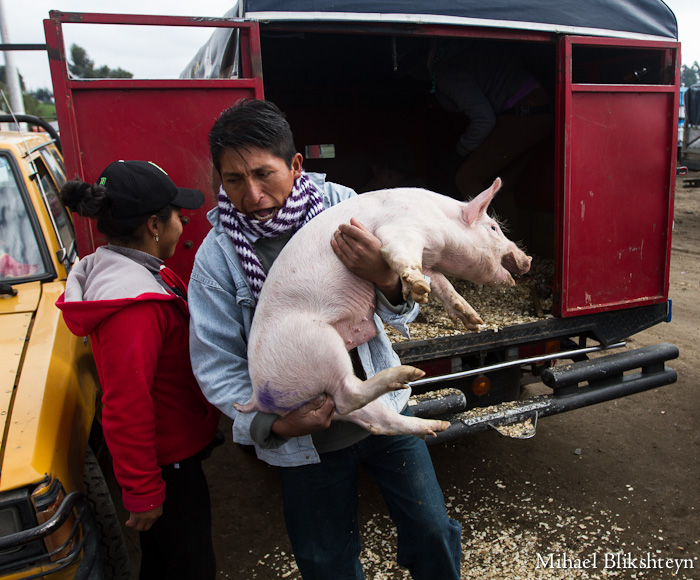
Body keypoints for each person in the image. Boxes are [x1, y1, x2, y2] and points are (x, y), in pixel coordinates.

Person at [189, 98, 462, 580]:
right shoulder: (218, 260)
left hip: (386, 407)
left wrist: (385, 276)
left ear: (296, 165)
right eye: (233, 181)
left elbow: (404, 312)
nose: (251, 195)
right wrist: (272, 427)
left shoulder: (346, 208)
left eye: (263, 174)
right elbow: (217, 365)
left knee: (433, 533)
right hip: (304, 442)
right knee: (326, 562)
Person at [56, 160, 221, 580]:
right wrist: (143, 490)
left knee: (166, 560)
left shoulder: (131, 269)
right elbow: (125, 403)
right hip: (167, 465)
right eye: (178, 217)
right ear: (153, 226)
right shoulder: (134, 305)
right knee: (188, 564)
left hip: (170, 453)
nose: (183, 224)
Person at [429, 39, 553, 236]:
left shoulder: (447, 73)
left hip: (523, 112)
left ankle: (494, 247)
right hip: (540, 113)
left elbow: (484, 120)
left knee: (467, 178)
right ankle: (516, 248)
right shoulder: (466, 55)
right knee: (502, 187)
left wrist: (460, 152)